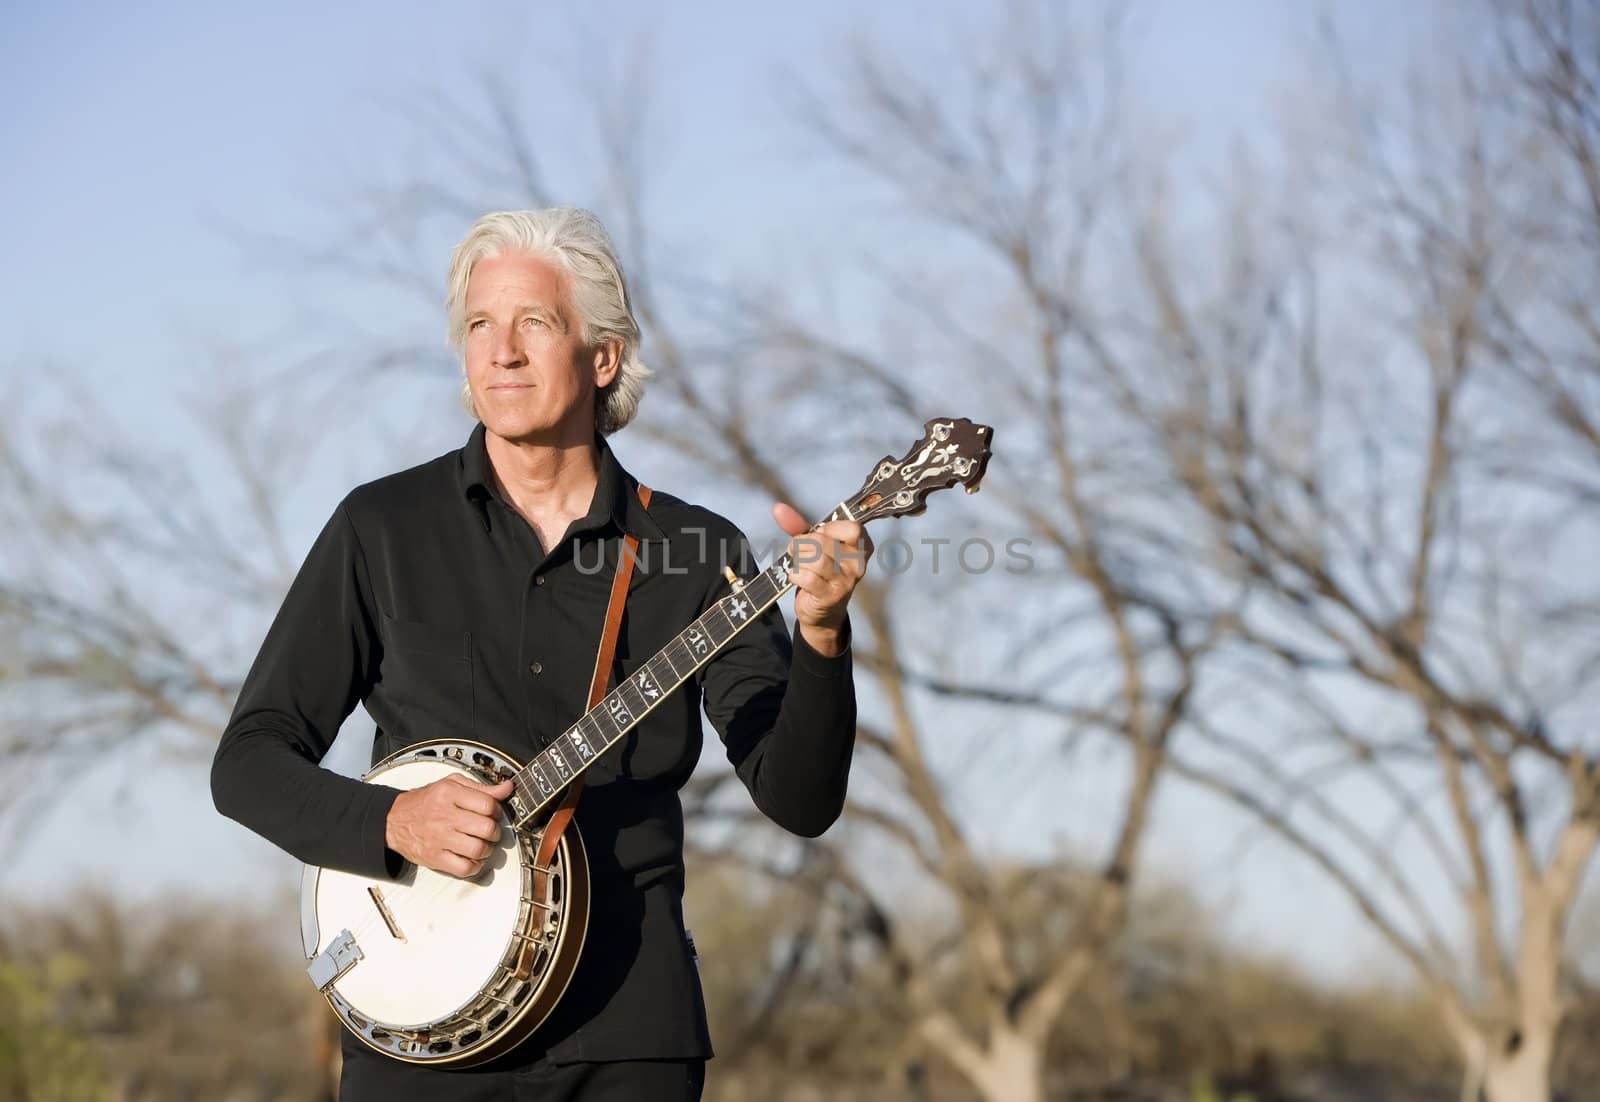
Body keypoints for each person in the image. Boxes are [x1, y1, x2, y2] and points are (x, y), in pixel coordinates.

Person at [210, 207, 870, 1101]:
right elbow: (247, 762)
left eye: (535, 323)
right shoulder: (382, 528)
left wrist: (823, 635)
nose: (501, 351)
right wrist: (390, 824)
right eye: (480, 326)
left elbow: (800, 800)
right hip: (423, 1035)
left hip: (628, 1034)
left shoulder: (694, 549)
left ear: (603, 358)